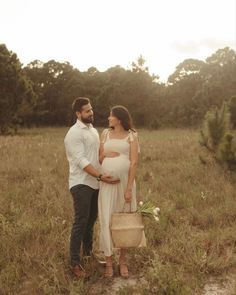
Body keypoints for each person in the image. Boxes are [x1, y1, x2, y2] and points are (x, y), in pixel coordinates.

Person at [64, 97, 119, 279]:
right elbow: (81, 161)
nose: (91, 112)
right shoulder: (74, 134)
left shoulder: (93, 131)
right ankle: (74, 263)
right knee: (80, 221)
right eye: (87, 111)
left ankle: (87, 255)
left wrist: (107, 156)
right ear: (78, 114)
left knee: (91, 221)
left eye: (91, 109)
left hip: (95, 182)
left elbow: (96, 155)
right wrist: (101, 176)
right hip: (81, 183)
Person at [98, 105, 145, 279]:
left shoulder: (132, 136)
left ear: (119, 118)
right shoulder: (105, 134)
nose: (109, 118)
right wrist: (106, 155)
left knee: (123, 221)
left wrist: (129, 189)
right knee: (106, 220)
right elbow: (99, 157)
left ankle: (122, 261)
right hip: (107, 185)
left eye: (111, 116)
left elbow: (134, 163)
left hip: (125, 183)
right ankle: (109, 263)